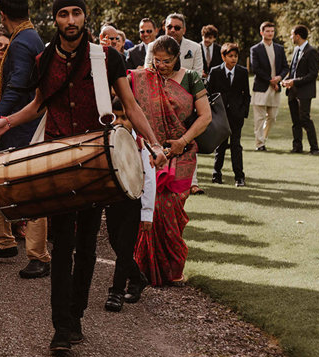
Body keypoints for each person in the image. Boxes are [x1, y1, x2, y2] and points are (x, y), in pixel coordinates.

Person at [0, 0, 167, 354]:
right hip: (57, 163)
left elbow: (130, 104)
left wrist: (155, 144)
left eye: (77, 14)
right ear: (55, 19)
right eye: (64, 15)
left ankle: (76, 317)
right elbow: (38, 105)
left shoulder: (106, 58)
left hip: (96, 161)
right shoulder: (44, 59)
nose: (71, 20)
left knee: (85, 247)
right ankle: (61, 328)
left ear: (85, 17)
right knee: (62, 243)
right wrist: (4, 122)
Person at [0, 0, 51, 280]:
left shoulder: (20, 43)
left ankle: (39, 255)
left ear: (3, 14)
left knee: (29, 186)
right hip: (15, 121)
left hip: (21, 125)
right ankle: (2, 241)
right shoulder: (32, 37)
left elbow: (17, 89)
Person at [130, 35, 211, 287]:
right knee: (149, 207)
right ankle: (143, 268)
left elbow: (205, 116)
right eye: (157, 60)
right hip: (151, 155)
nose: (161, 65)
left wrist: (182, 141)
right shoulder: (143, 79)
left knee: (173, 210)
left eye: (167, 61)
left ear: (177, 58)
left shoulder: (191, 78)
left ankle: (173, 269)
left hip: (182, 153)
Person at [103, 97, 155, 312]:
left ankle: (116, 292)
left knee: (124, 248)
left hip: (133, 200)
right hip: (113, 201)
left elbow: (149, 178)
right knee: (115, 243)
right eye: (116, 117)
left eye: (126, 118)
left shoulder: (141, 144)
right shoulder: (107, 139)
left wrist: (147, 213)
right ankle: (138, 277)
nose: (121, 122)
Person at [207, 43, 250, 186]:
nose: (233, 59)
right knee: (220, 145)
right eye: (230, 56)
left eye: (236, 56)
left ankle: (239, 177)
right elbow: (208, 93)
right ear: (223, 57)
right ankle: (216, 174)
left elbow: (246, 95)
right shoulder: (215, 72)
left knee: (236, 146)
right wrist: (212, 113)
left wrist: (243, 112)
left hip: (236, 116)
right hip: (220, 115)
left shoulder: (243, 72)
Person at [281, 25, 319, 155]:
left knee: (305, 119)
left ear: (298, 36)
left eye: (292, 35)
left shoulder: (311, 51)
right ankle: (297, 147)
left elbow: (313, 74)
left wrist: (294, 82)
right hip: (292, 91)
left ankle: (314, 148)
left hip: (304, 92)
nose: (291, 37)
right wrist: (285, 80)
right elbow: (293, 71)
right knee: (295, 121)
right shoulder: (297, 50)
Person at [249, 21, 288, 151]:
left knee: (272, 117)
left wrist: (279, 78)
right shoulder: (255, 49)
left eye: (272, 31)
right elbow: (256, 68)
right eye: (267, 31)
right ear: (262, 32)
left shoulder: (279, 49)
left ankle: (263, 139)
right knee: (259, 118)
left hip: (275, 88)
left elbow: (285, 67)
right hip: (261, 87)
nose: (270, 33)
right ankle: (260, 144)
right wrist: (271, 81)